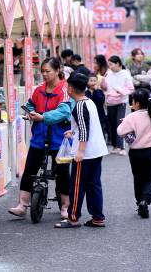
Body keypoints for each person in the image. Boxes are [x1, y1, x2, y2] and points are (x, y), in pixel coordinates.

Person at [9, 58, 74, 219]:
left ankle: (65, 206)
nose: (44, 74)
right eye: (42, 71)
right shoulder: (39, 90)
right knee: (30, 169)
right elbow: (31, 104)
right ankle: (22, 205)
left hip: (60, 139)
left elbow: (64, 112)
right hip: (39, 137)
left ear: (58, 70)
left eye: (48, 71)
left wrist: (43, 117)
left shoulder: (65, 90)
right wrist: (30, 112)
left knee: (62, 172)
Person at [54, 72, 108, 229]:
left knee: (77, 185)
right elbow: (85, 126)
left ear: (70, 88)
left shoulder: (79, 106)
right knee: (94, 184)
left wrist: (80, 152)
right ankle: (98, 217)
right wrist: (73, 132)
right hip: (97, 150)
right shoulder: (88, 102)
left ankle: (73, 217)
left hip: (86, 153)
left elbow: (85, 130)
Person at [117, 89, 151, 218]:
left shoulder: (131, 117)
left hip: (135, 153)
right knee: (150, 178)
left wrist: (125, 122)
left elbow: (120, 131)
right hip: (149, 151)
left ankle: (139, 202)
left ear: (136, 103)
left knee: (138, 178)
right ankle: (145, 200)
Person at [102, 55, 134, 155]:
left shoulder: (125, 74)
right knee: (112, 124)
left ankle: (122, 147)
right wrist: (102, 83)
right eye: (109, 65)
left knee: (120, 123)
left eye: (111, 64)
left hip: (121, 102)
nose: (109, 67)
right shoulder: (108, 73)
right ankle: (116, 146)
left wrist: (122, 92)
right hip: (110, 102)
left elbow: (131, 88)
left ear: (118, 63)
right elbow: (105, 87)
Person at [84, 73, 108, 142]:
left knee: (101, 130)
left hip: (100, 116)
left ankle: (102, 143)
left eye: (95, 81)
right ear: (87, 82)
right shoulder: (85, 93)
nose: (93, 82)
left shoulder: (99, 92)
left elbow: (101, 100)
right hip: (90, 116)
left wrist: (96, 91)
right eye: (91, 81)